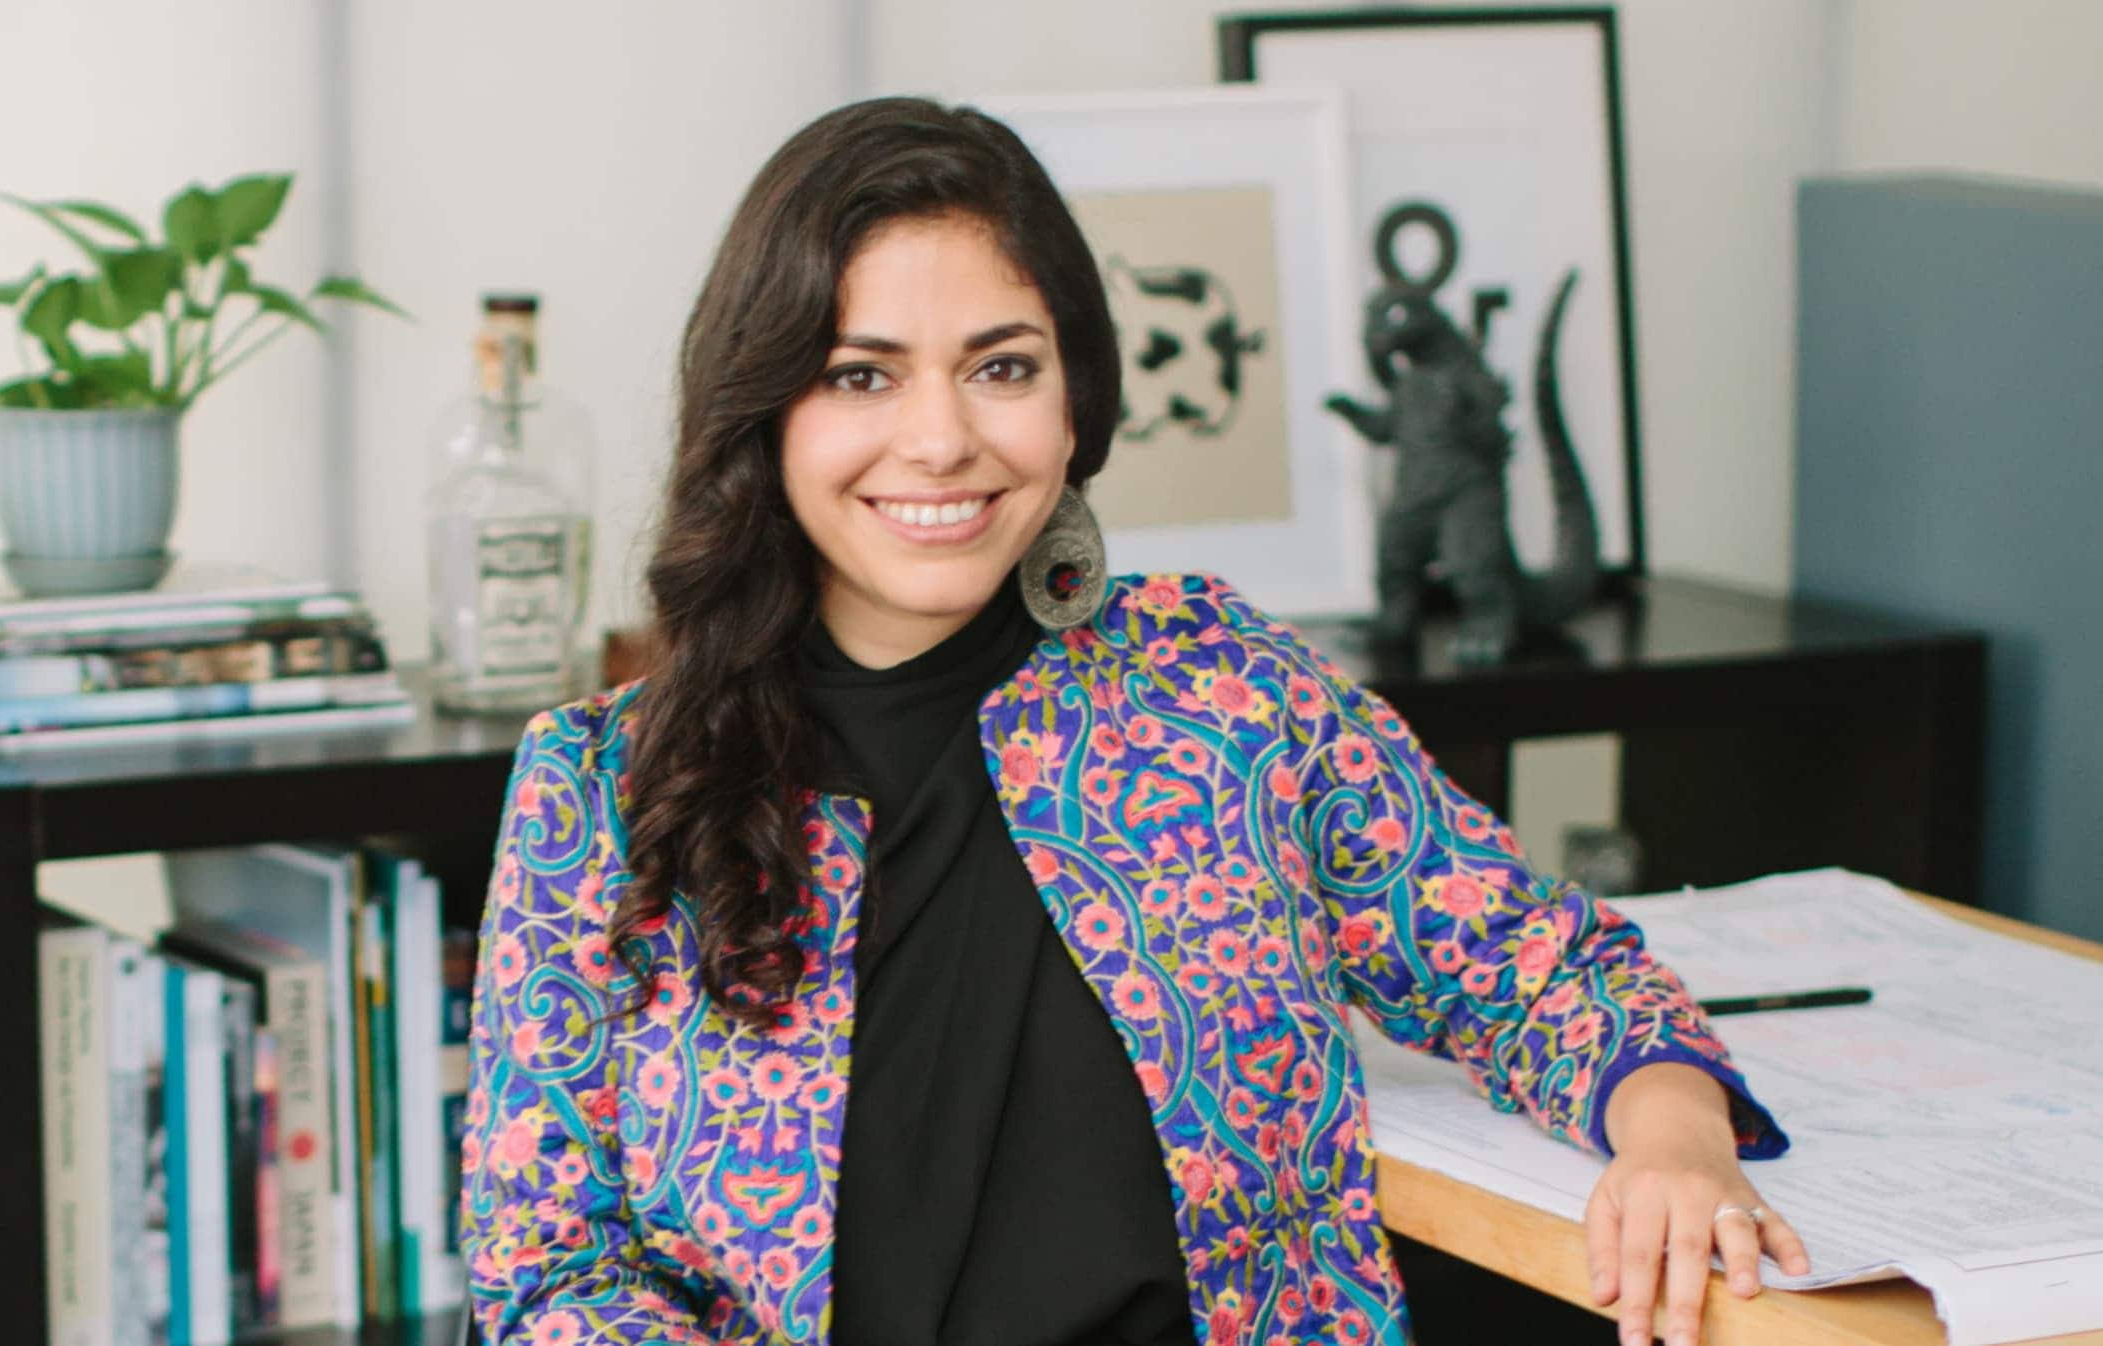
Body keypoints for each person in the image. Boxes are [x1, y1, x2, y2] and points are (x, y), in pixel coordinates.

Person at [459, 96, 1810, 1346]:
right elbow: (551, 1270)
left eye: (1001, 366)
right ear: (763, 409)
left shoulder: (1219, 690)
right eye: (862, 375)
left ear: (1075, 396)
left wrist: (1678, 1134)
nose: (940, 441)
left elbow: (1537, 962)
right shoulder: (600, 789)